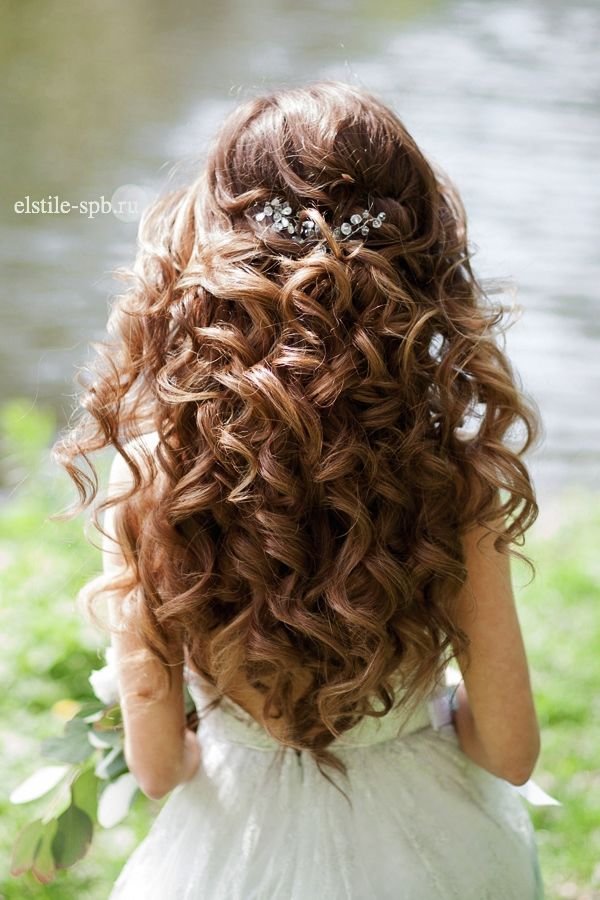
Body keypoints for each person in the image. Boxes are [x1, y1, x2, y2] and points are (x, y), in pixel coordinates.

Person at [54, 80, 547, 898]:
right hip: (436, 854)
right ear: (419, 255)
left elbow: (158, 768)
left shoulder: (155, 474)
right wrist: (423, 708)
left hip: (231, 859)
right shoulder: (450, 477)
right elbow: (511, 751)